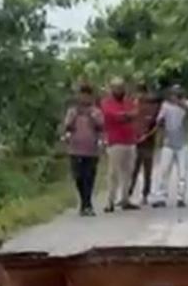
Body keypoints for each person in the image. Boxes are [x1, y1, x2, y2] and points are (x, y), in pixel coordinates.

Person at [62, 83, 105, 216]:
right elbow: (66, 126)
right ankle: (83, 202)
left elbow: (101, 126)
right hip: (75, 148)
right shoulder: (72, 111)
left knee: (89, 176)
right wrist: (73, 117)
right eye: (82, 95)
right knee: (78, 176)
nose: (84, 98)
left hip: (91, 149)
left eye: (87, 95)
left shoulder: (96, 111)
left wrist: (92, 117)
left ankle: (88, 204)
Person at [100, 77, 140, 212]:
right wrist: (127, 115)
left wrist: (126, 115)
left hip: (130, 141)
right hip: (115, 142)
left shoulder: (128, 102)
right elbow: (115, 116)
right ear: (111, 89)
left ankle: (125, 199)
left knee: (128, 172)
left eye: (121, 87)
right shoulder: (106, 103)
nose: (119, 90)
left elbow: (135, 113)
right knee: (113, 173)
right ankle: (110, 202)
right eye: (116, 87)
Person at [152, 84, 188, 208]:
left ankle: (180, 198)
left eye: (178, 93)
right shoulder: (165, 105)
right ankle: (161, 197)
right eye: (174, 93)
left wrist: (181, 103)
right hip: (168, 142)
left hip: (183, 143)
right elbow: (159, 120)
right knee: (164, 171)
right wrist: (160, 122)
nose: (175, 96)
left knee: (182, 173)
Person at [129, 82, 161, 206]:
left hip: (147, 141)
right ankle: (129, 193)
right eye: (138, 92)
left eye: (141, 92)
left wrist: (146, 135)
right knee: (133, 169)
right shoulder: (133, 106)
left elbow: (156, 124)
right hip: (134, 141)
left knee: (147, 169)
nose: (139, 95)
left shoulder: (151, 107)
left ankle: (145, 194)